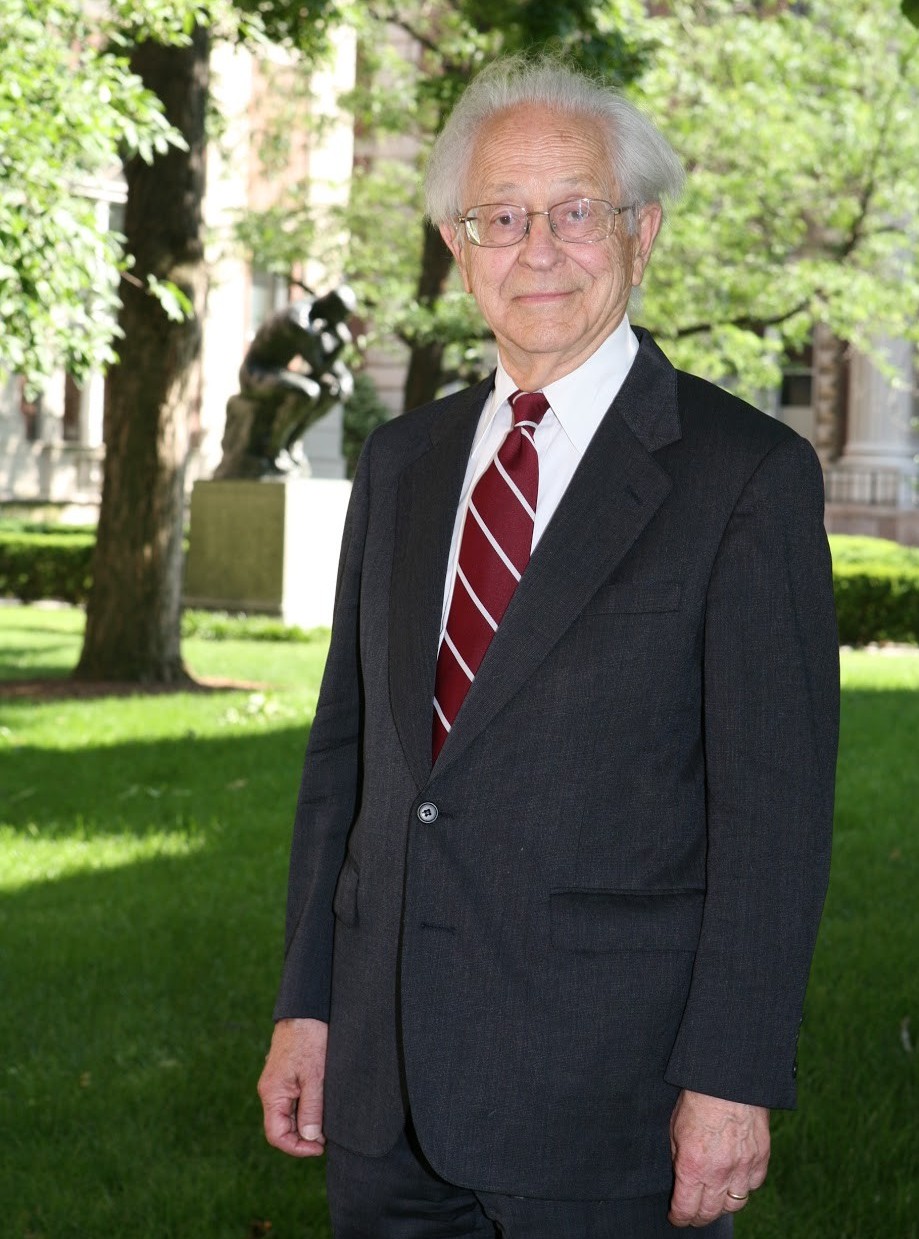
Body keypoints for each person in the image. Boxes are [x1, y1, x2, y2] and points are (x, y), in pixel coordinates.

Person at [258, 55, 839, 1238]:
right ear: (455, 243)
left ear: (643, 232)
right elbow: (349, 765)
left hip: (608, 1114)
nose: (536, 250)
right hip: (385, 1099)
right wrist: (308, 1005)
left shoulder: (744, 480)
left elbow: (775, 820)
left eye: (575, 213)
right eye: (500, 218)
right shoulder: (402, 464)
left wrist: (731, 1077)